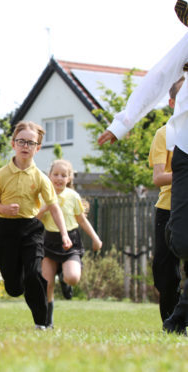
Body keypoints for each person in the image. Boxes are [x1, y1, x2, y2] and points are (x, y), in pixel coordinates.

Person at [98, 1, 188, 334]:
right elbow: (159, 77)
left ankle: (179, 316)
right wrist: (123, 123)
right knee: (181, 241)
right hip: (187, 150)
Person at [0, 121, 72, 330]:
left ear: (38, 148)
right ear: (13, 144)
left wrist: (64, 234)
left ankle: (42, 323)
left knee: (35, 274)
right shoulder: (0, 175)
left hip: (31, 229)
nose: (26, 146)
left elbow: (53, 207)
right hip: (6, 229)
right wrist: (3, 209)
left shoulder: (41, 178)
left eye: (31, 143)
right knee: (14, 287)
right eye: (21, 141)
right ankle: (23, 283)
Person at [37, 159, 102, 328]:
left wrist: (96, 238)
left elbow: (81, 220)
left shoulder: (73, 196)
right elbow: (33, 219)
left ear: (69, 178)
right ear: (49, 176)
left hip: (70, 241)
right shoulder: (43, 195)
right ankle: (47, 321)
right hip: (48, 242)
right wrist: (43, 209)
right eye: (56, 174)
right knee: (47, 283)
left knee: (72, 277)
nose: (59, 178)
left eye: (63, 175)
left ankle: (65, 281)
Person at [148, 77, 188, 325]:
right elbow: (158, 177)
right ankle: (169, 319)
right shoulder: (165, 134)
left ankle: (179, 321)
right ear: (173, 102)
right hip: (168, 208)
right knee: (165, 273)